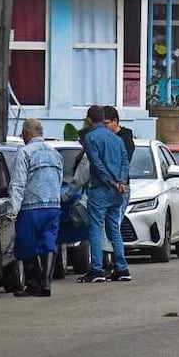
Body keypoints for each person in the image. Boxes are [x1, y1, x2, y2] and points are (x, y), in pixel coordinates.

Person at [8, 118, 64, 298]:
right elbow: (59, 179)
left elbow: (18, 184)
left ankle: (33, 284)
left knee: (27, 244)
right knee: (49, 242)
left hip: (31, 207)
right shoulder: (55, 153)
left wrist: (13, 210)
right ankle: (46, 283)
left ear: (26, 134)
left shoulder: (24, 153)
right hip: (53, 206)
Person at [77, 105, 131, 283]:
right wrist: (121, 182)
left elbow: (96, 164)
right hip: (118, 191)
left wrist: (111, 182)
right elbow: (125, 161)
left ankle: (96, 268)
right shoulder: (116, 139)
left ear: (90, 120)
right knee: (114, 228)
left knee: (96, 228)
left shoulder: (91, 137)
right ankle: (122, 267)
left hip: (101, 188)